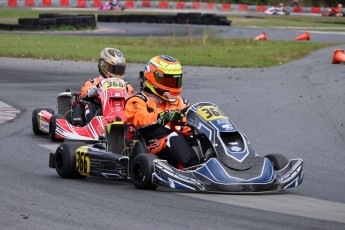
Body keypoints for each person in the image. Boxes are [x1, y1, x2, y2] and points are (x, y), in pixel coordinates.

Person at [124, 55, 200, 168]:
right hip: (152, 146)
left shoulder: (179, 101)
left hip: (179, 143)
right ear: (153, 78)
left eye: (175, 81)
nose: (171, 86)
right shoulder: (137, 101)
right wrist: (164, 117)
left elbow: (188, 124)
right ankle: (194, 167)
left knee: (202, 136)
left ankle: (214, 162)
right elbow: (140, 121)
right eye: (167, 81)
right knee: (173, 137)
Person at [81, 48, 134, 123]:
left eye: (120, 70)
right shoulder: (93, 82)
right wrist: (92, 91)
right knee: (89, 105)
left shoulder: (125, 85)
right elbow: (84, 93)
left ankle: (132, 128)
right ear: (104, 65)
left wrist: (129, 96)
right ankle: (92, 126)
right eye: (115, 69)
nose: (117, 73)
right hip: (100, 108)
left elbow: (132, 97)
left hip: (120, 109)